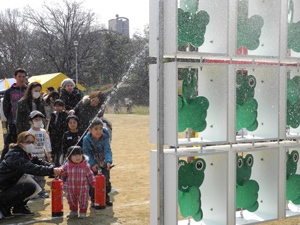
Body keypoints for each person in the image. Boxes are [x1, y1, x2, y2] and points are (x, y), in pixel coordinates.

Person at [0, 131, 60, 218]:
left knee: (30, 186)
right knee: (30, 186)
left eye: (32, 142)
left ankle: (18, 208)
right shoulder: (15, 155)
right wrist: (52, 171)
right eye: (28, 142)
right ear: (20, 144)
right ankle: (3, 206)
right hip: (2, 188)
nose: (31, 144)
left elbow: (39, 162)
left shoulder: (26, 154)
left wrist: (53, 167)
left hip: (8, 186)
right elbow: (32, 168)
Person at [82, 118, 113, 207]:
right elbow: (86, 153)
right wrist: (92, 164)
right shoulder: (86, 139)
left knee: (106, 180)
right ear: (90, 130)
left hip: (103, 163)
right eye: (96, 129)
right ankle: (93, 199)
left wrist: (108, 162)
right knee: (92, 182)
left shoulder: (105, 137)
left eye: (100, 128)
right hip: (92, 165)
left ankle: (106, 197)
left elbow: (107, 150)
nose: (99, 131)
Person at [59, 146, 96, 219]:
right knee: (71, 199)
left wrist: (93, 182)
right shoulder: (67, 165)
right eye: (75, 155)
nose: (78, 157)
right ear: (69, 157)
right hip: (70, 188)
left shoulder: (85, 165)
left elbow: (90, 175)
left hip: (83, 188)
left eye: (79, 155)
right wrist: (58, 171)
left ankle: (82, 211)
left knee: (83, 200)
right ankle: (73, 210)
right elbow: (62, 171)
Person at [1, 68, 27, 159]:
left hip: (27, 123)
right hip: (14, 123)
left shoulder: (28, 90)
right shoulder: (9, 91)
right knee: (9, 145)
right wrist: (10, 120)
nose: (21, 78)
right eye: (19, 76)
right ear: (14, 77)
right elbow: (6, 108)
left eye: (23, 76)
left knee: (26, 144)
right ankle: (3, 164)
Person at [27, 110, 52, 198]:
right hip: (32, 157)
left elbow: (47, 143)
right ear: (31, 122)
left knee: (41, 175)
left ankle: (41, 190)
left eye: (39, 119)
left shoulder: (43, 132)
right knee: (31, 175)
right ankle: (33, 191)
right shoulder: (29, 133)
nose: (38, 121)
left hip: (41, 156)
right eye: (36, 119)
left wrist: (48, 153)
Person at [48, 99, 68, 167]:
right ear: (53, 107)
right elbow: (50, 127)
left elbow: (65, 127)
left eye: (59, 106)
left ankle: (59, 167)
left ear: (63, 107)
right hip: (54, 137)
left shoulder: (65, 115)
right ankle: (55, 167)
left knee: (60, 153)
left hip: (61, 137)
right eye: (56, 106)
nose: (58, 108)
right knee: (55, 153)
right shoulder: (53, 115)